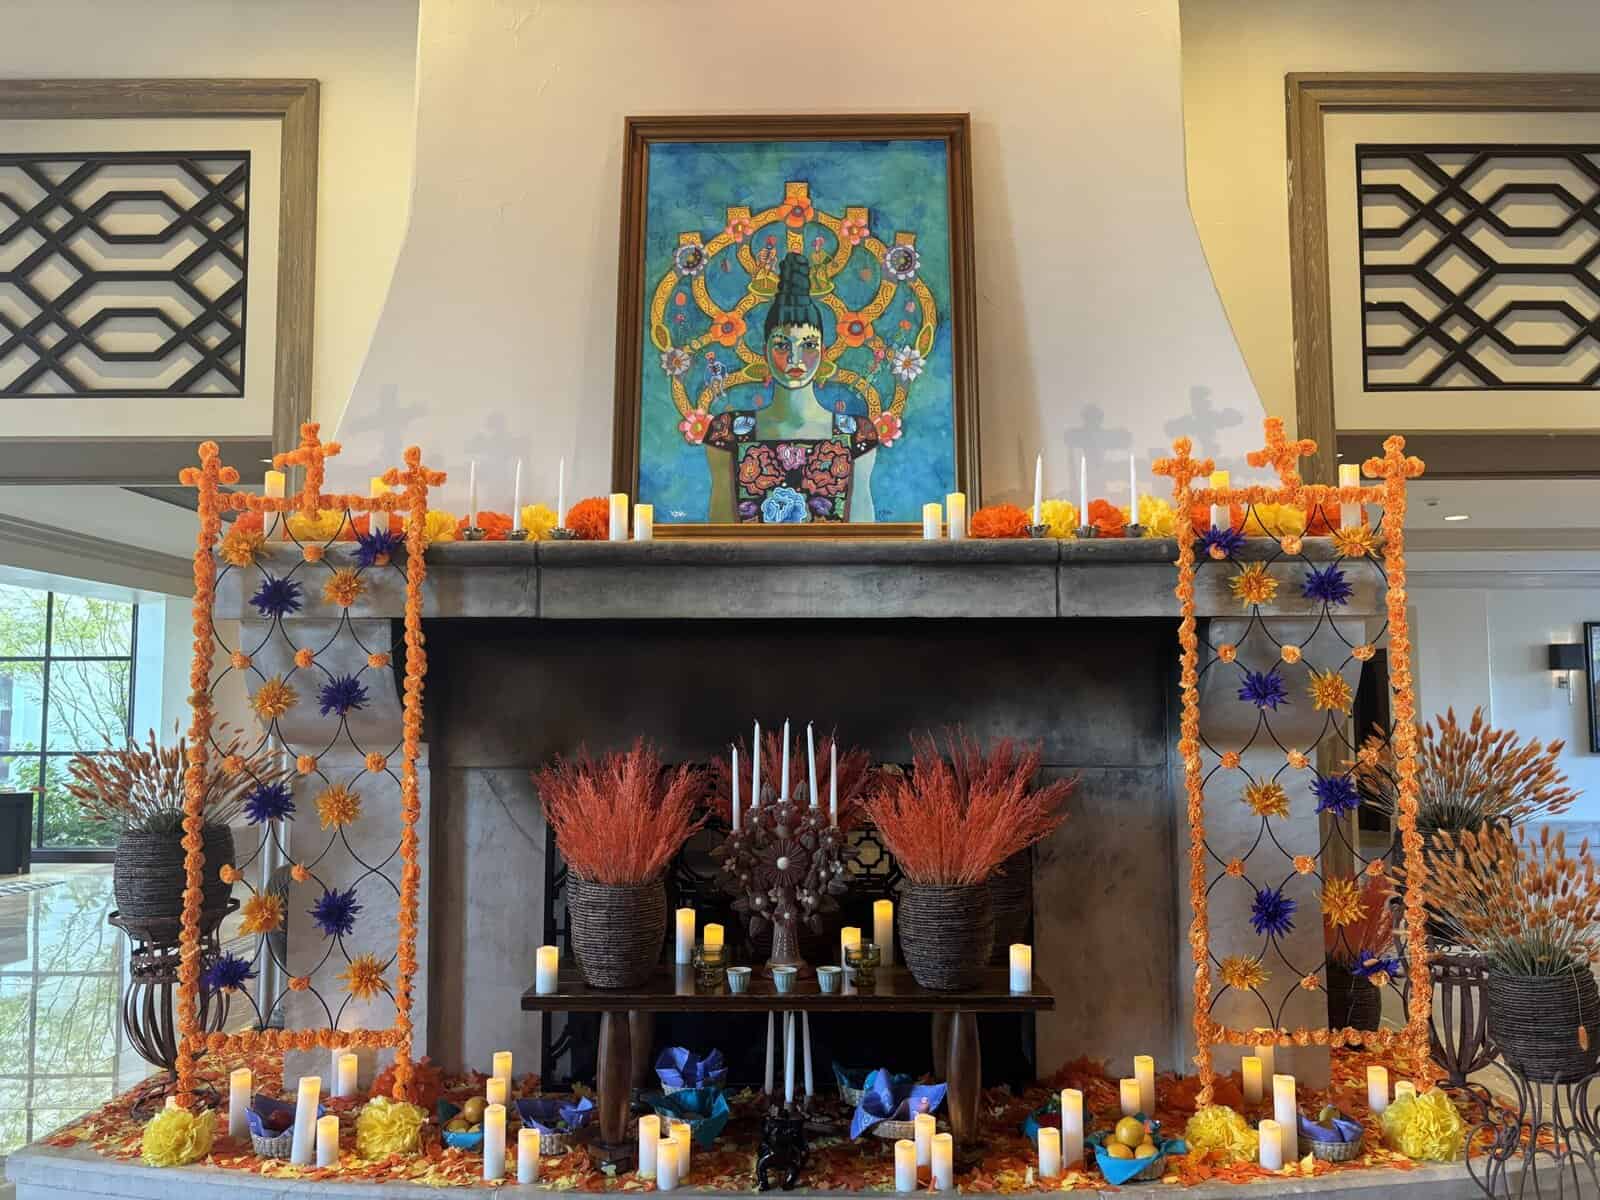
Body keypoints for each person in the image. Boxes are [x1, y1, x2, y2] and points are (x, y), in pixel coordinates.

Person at [705, 252, 879, 522]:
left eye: (808, 345)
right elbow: (719, 533)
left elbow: (863, 533)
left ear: (823, 352)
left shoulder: (856, 433)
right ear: (764, 351)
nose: (794, 359)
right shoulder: (728, 432)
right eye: (782, 345)